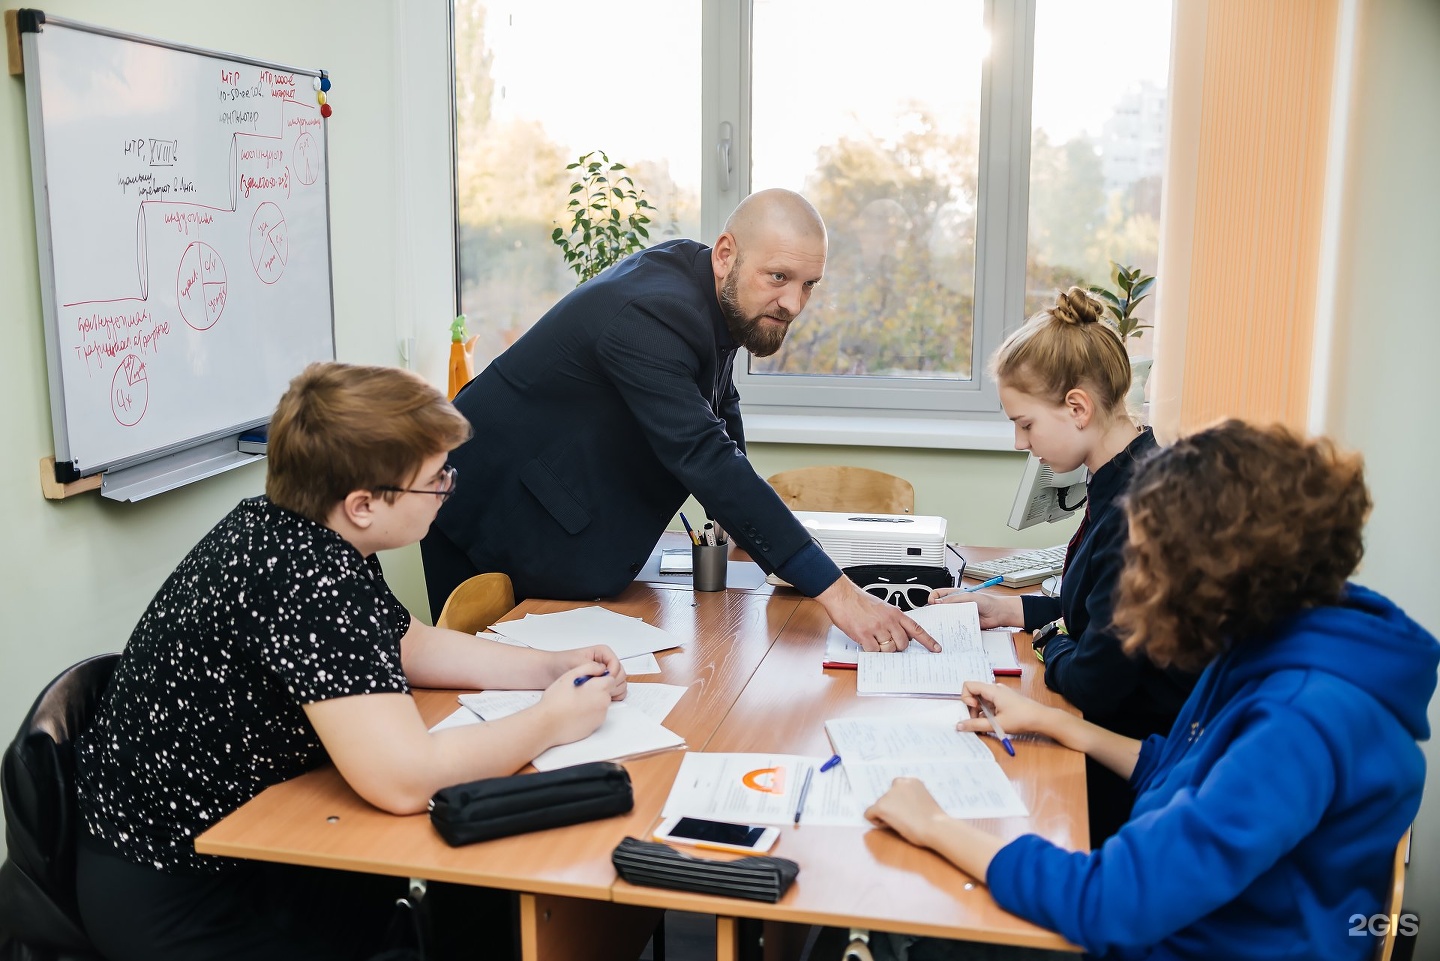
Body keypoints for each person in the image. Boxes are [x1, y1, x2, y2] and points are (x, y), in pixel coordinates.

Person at [74, 362, 628, 961]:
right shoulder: (300, 575)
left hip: (252, 847)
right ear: (363, 503)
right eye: (435, 479)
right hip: (185, 892)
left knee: (474, 901)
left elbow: (407, 643)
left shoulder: (305, 531)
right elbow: (403, 779)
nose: (447, 488)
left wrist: (547, 667)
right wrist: (551, 721)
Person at [866, 420, 1438, 961]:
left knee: (919, 919)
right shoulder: (1285, 637)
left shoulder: (1302, 720)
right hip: (1193, 915)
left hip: (1196, 941)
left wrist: (935, 824)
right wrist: (1058, 723)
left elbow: (1109, 904)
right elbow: (1187, 768)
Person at [424, 188, 937, 654]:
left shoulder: (712, 293)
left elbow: (720, 404)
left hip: (551, 509)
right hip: (495, 514)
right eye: (779, 277)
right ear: (725, 254)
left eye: (809, 285)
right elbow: (703, 454)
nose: (793, 303)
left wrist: (749, 531)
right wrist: (838, 593)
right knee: (487, 695)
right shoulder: (651, 313)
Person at [930, 288, 1196, 840]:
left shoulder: (1138, 513)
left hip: (1138, 769)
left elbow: (1093, 680)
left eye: (1026, 424)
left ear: (1078, 407)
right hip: (1130, 733)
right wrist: (1009, 609)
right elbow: (1102, 607)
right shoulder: (1133, 472)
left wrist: (1050, 635)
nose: (1019, 442)